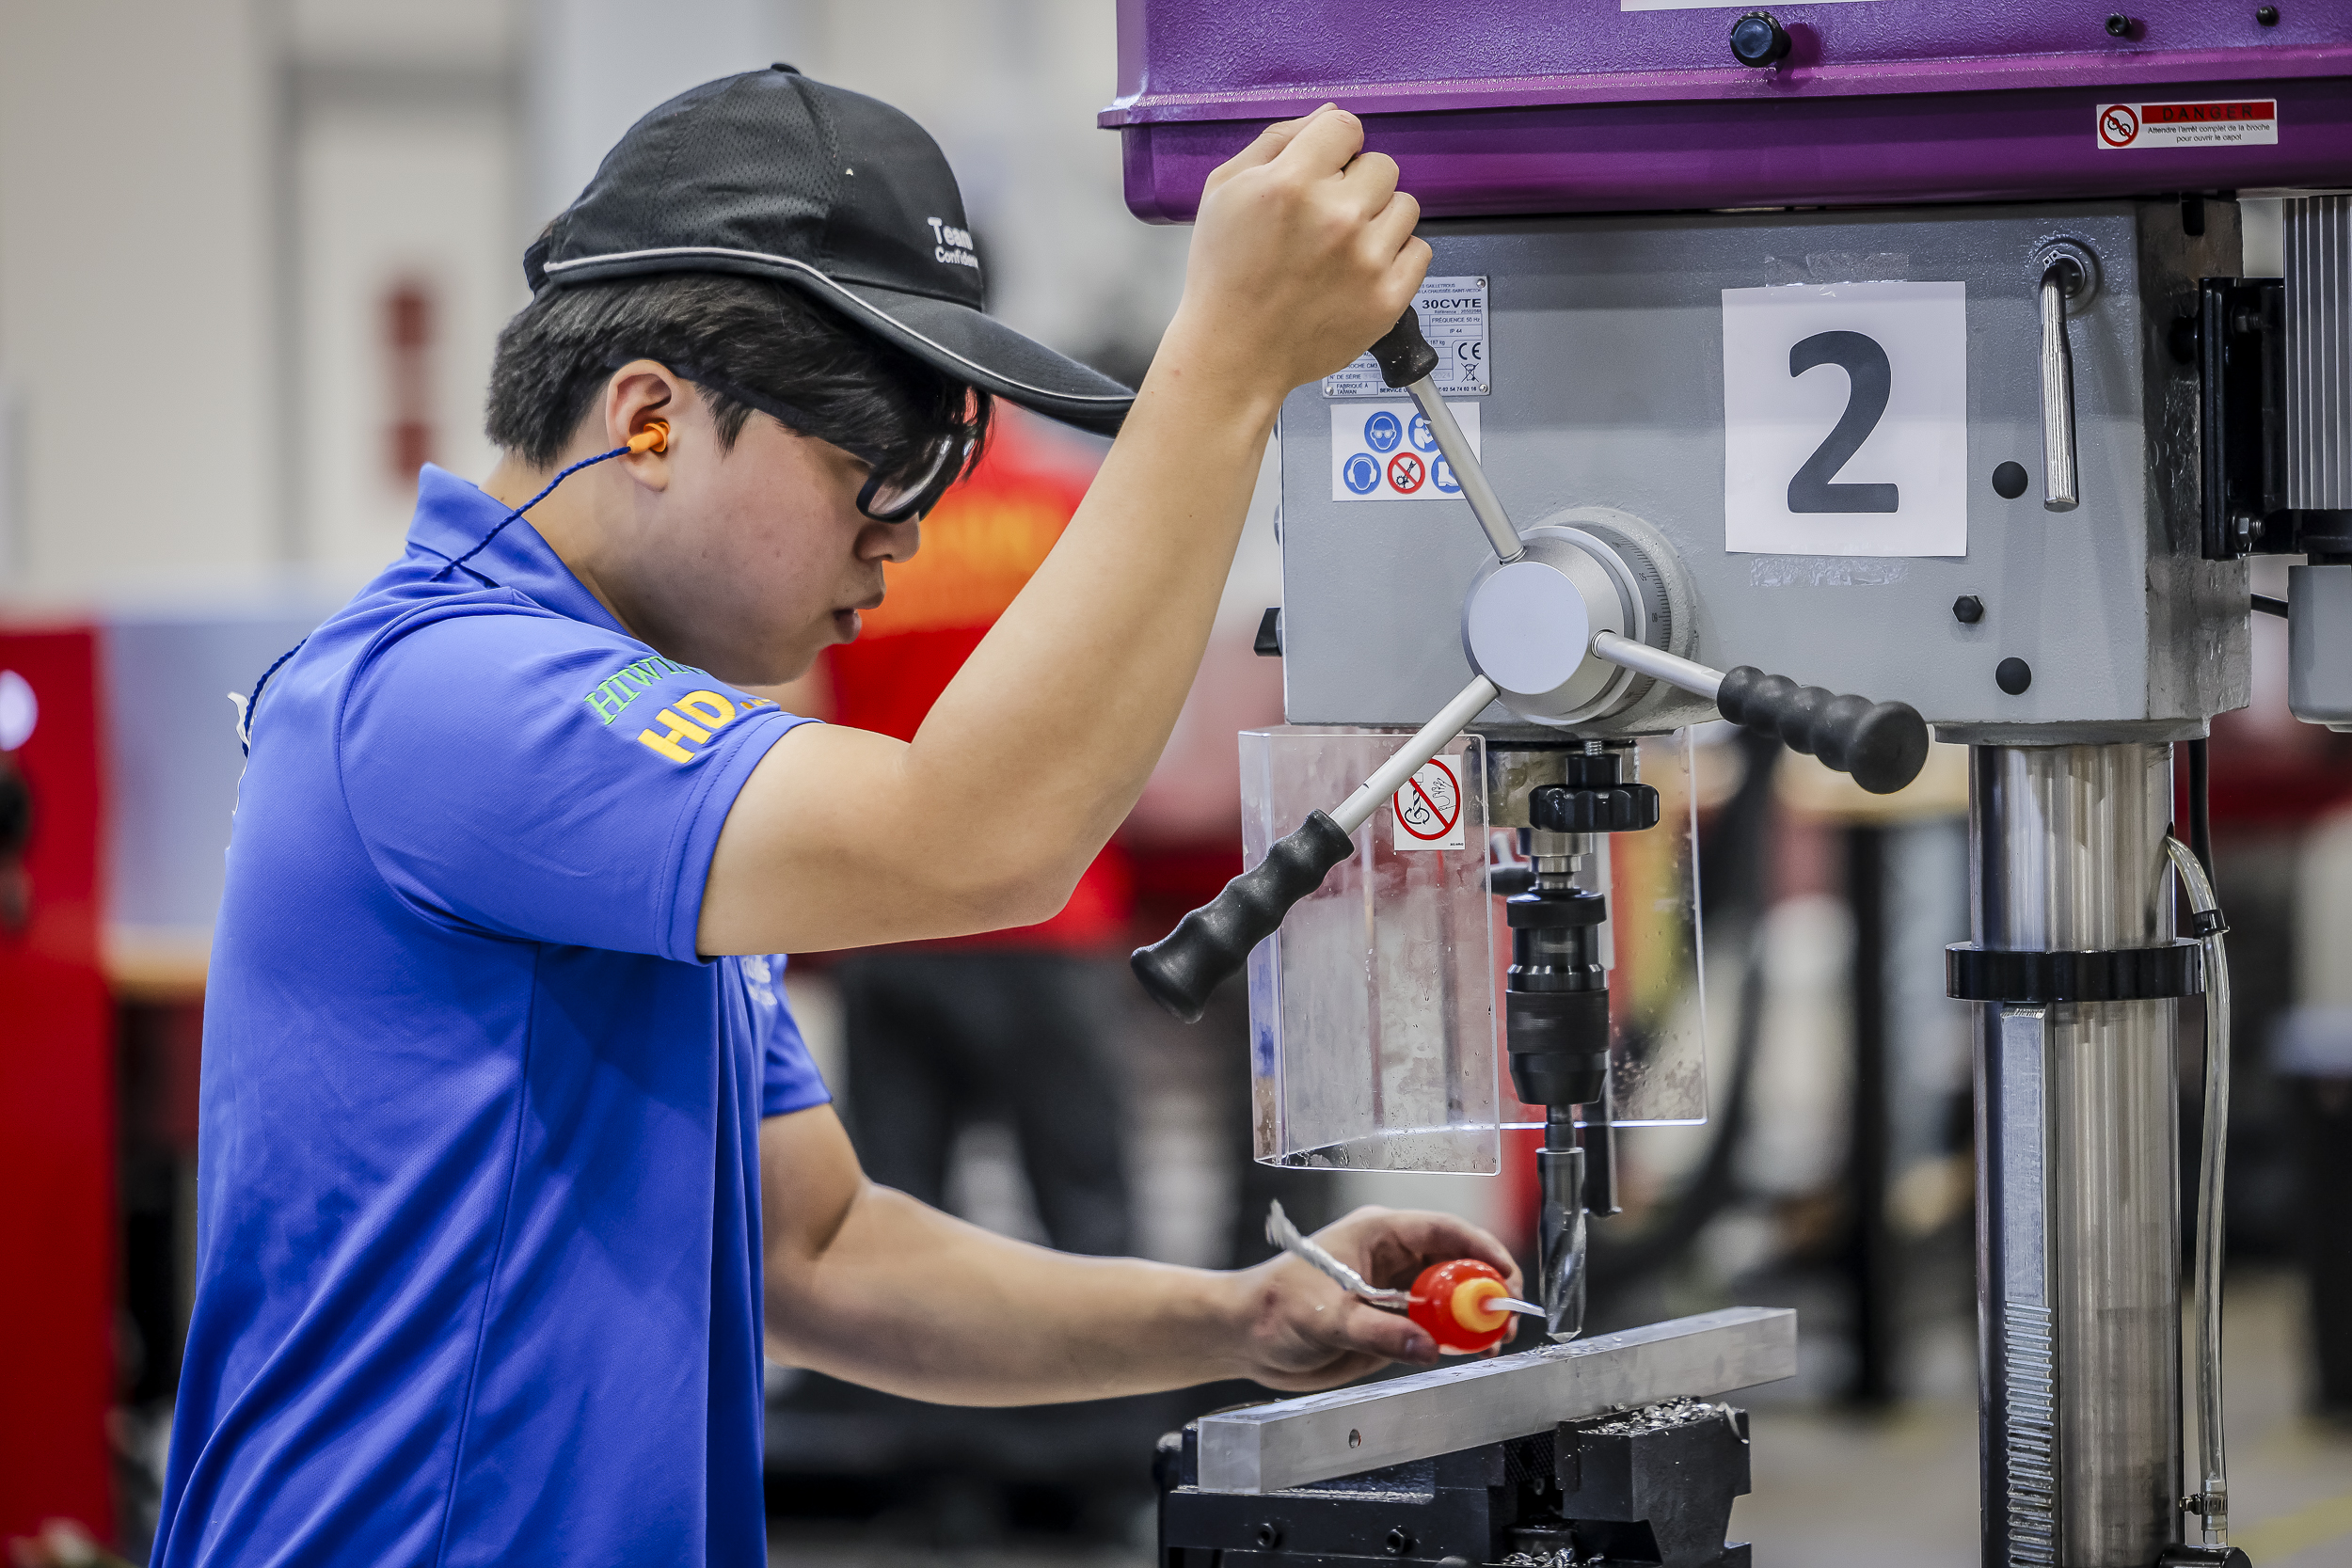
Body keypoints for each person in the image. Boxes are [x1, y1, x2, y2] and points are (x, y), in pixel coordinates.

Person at [154, 66, 1515, 1568]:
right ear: (652, 417)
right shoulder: (447, 691)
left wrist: (1236, 1318)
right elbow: (975, 838)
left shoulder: (621, 770)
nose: (907, 534)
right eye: (875, 470)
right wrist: (1229, 362)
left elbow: (822, 1252)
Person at [813, 420, 1136, 1261]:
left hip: (887, 911)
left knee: (887, 1224)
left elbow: (805, 702)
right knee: (1087, 1216)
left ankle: (900, 1398)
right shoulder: (1069, 507)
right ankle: (1121, 1394)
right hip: (1049, 910)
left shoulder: (863, 511)